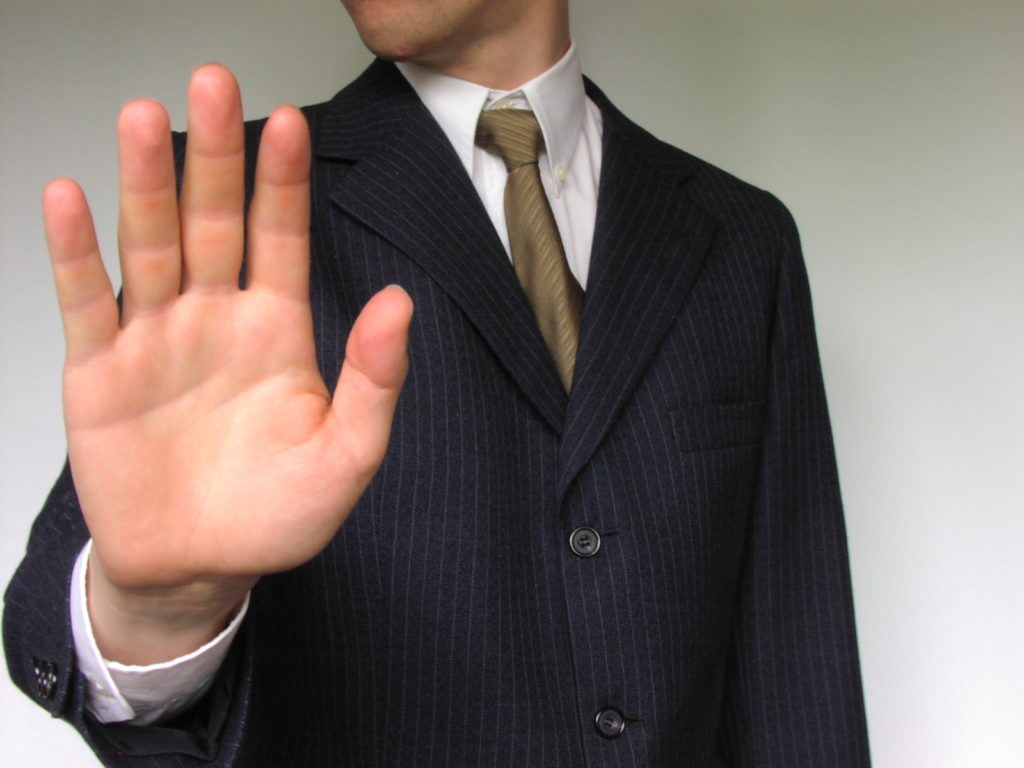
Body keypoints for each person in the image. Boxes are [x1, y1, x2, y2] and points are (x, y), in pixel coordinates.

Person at [4, 0, 871, 765]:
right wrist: (161, 614)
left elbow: (799, 666)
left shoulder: (743, 240)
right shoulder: (243, 213)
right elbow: (49, 621)